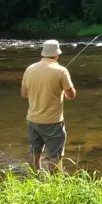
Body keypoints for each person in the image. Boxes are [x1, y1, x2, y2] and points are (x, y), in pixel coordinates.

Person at [21, 39, 76, 171]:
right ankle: (54, 184)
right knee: (55, 155)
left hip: (32, 120)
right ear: (56, 54)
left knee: (35, 151)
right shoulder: (61, 71)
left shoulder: (29, 69)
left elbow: (24, 94)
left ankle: (34, 178)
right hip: (53, 122)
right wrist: (64, 88)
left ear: (43, 53)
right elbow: (71, 96)